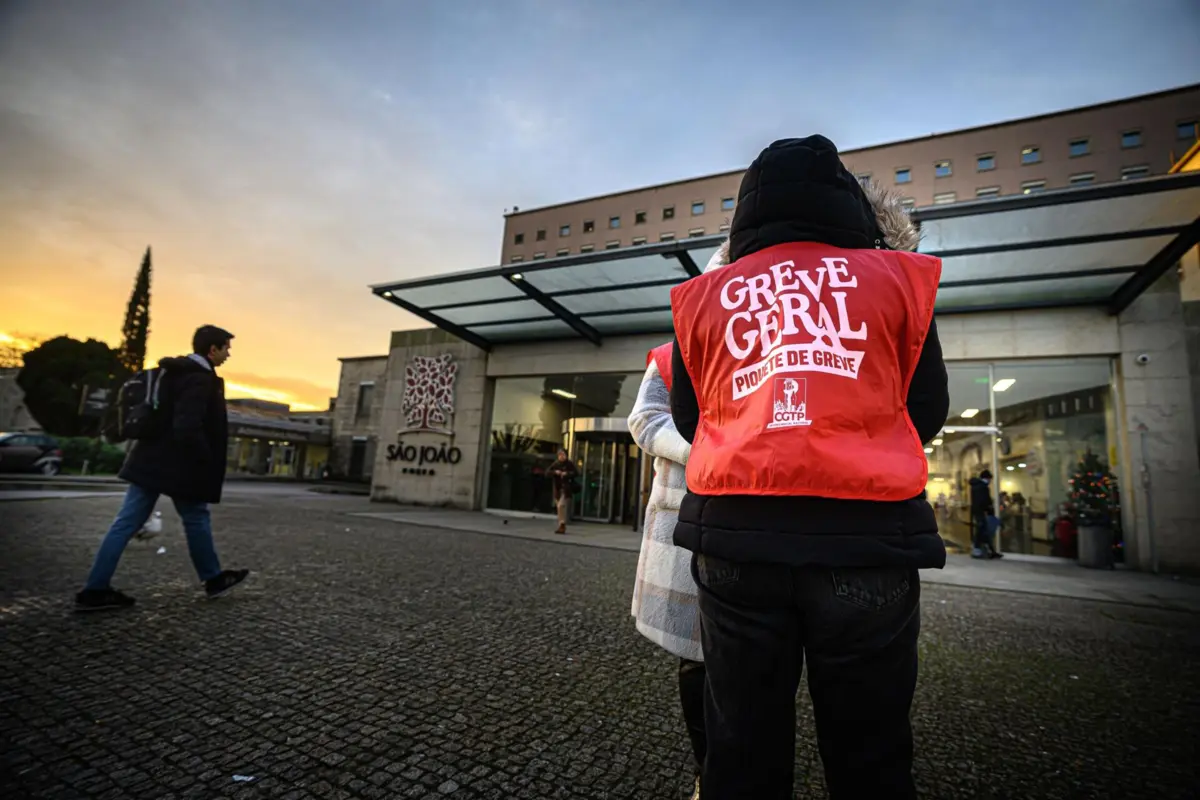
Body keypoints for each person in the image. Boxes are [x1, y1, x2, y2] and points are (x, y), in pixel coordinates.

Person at [668, 136, 950, 799]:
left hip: (736, 543)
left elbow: (691, 419)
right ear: (849, 205)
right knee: (871, 756)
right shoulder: (898, 279)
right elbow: (928, 410)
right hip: (868, 544)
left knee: (740, 750)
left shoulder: (707, 294)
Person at [75, 325, 250, 611]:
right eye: (226, 348)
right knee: (195, 517)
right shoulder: (199, 379)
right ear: (212, 349)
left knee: (126, 523)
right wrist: (205, 457)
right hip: (177, 465)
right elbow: (187, 426)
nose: (228, 354)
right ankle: (213, 578)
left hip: (150, 460)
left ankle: (95, 588)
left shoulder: (175, 372)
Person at [628, 340, 706, 800]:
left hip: (761, 521)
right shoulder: (671, 353)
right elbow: (644, 418)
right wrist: (708, 453)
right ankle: (708, 769)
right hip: (689, 516)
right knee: (696, 658)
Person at [970, 469, 1000, 559]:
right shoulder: (982, 487)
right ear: (987, 478)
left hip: (978, 512)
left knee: (983, 530)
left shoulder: (976, 486)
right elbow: (984, 501)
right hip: (981, 512)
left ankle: (990, 550)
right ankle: (978, 550)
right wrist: (989, 508)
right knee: (982, 531)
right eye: (990, 478)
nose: (990, 481)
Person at [547, 448, 577, 535]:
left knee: (560, 505)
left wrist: (566, 474)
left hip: (566, 488)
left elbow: (576, 473)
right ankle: (561, 525)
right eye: (560, 455)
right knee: (559, 507)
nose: (561, 456)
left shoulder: (569, 464)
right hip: (557, 488)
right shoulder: (556, 464)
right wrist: (555, 472)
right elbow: (547, 472)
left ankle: (562, 524)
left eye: (563, 455)